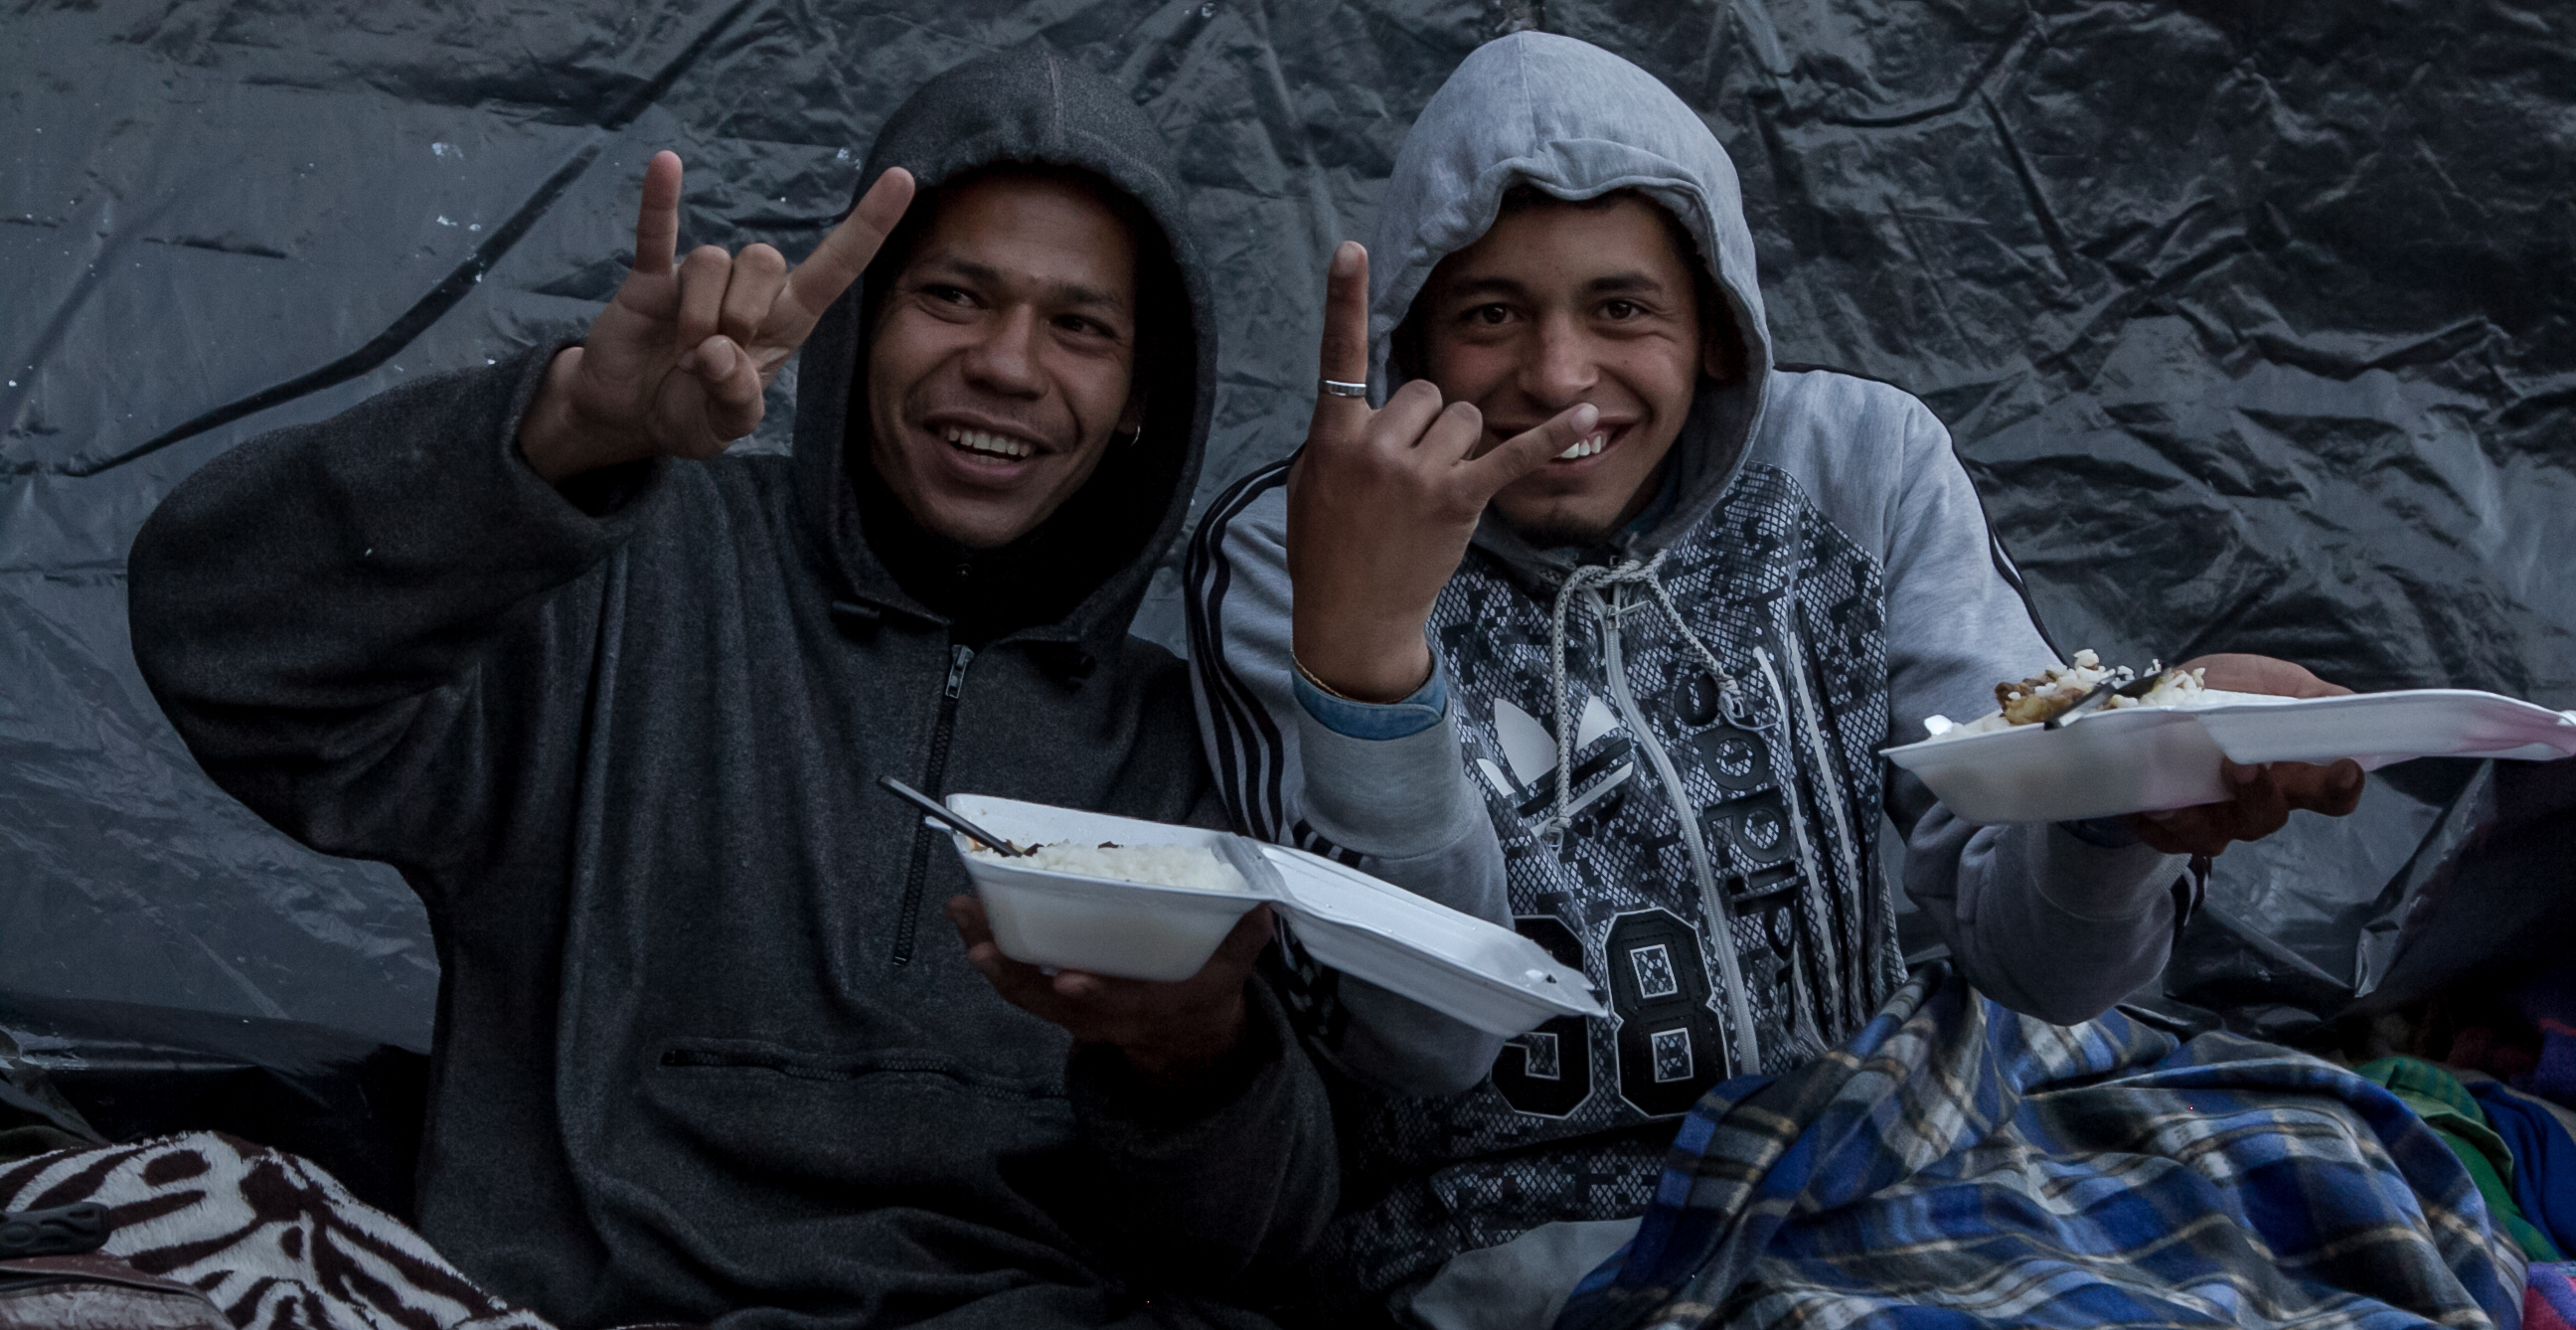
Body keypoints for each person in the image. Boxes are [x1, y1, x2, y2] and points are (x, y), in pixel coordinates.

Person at [121, 41, 1333, 1330]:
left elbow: (1266, 1247)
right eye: (953, 296)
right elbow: (226, 649)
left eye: (1079, 326)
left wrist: (1195, 1054)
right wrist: (566, 427)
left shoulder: (1179, 746)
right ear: (859, 322)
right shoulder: (615, 571)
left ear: (1141, 395)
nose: (1008, 365)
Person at [1186, 32, 2368, 1325]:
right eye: (1491, 315)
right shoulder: (1298, 548)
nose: (1560, 378)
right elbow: (1422, 1044)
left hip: (1867, 1151)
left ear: (1715, 326)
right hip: (1513, 1235)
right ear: (1413, 338)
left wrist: (2119, 797)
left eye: (1623, 309)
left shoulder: (1859, 470)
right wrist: (1370, 656)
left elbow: (2045, 967)